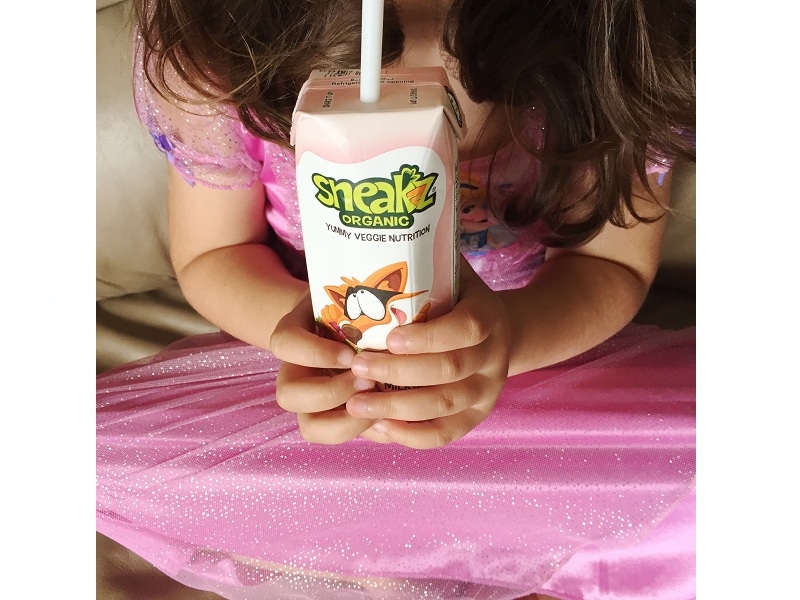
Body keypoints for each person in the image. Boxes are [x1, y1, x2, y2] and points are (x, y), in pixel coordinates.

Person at [97, 0, 696, 599]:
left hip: (532, 360)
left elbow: (609, 263)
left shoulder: (620, 35)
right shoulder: (219, 38)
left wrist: (504, 341)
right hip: (315, 378)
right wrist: (321, 344)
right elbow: (215, 254)